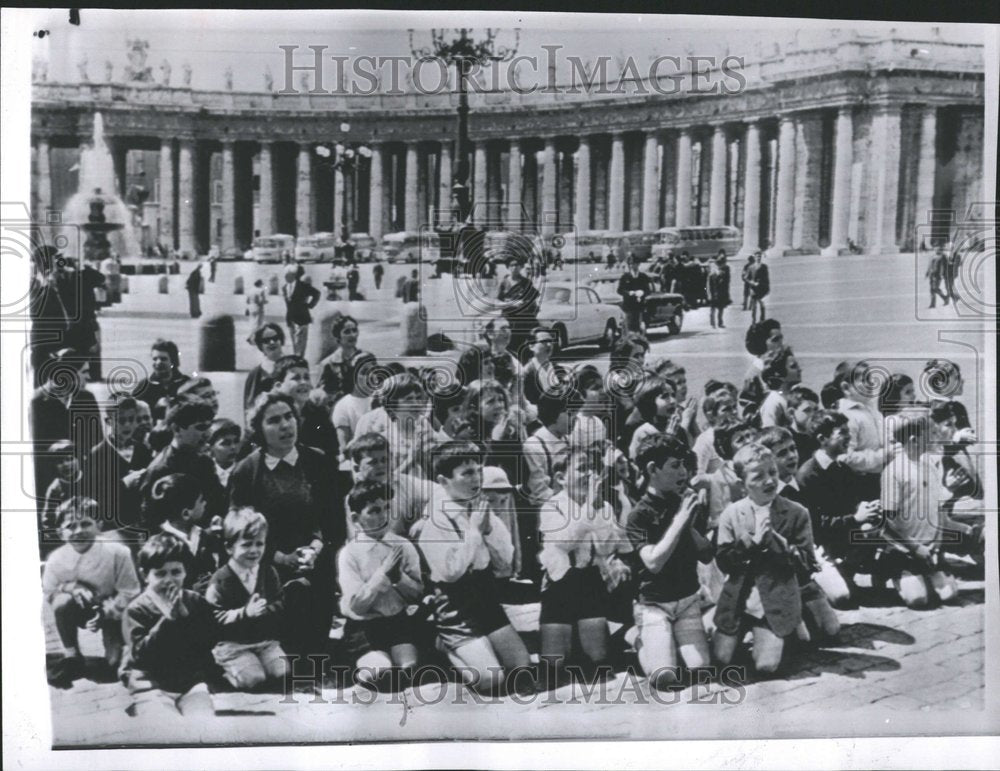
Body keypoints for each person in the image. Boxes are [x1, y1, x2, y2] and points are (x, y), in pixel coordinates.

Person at [416, 442, 532, 694]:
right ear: (444, 481)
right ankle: (444, 646)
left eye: (478, 471)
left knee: (521, 666)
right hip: (456, 606)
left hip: (486, 599)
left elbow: (506, 562)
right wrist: (474, 533)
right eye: (466, 473)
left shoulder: (479, 510)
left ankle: (478, 649)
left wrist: (489, 530)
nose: (476, 479)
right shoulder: (436, 521)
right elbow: (451, 572)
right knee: (491, 679)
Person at [228, 392, 337, 655]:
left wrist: (316, 547)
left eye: (289, 417)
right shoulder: (246, 471)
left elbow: (332, 518)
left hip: (314, 557)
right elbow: (238, 529)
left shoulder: (317, 461)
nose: (285, 425)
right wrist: (279, 557)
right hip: (266, 562)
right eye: (274, 420)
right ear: (259, 429)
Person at [713, 444, 816, 675]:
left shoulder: (797, 512)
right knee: (720, 658)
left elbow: (807, 564)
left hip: (776, 597)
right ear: (742, 484)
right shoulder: (731, 513)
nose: (769, 481)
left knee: (765, 666)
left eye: (773, 473)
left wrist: (776, 542)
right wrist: (751, 543)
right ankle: (743, 629)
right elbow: (724, 561)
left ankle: (789, 630)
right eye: (758, 476)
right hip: (740, 598)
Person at [627, 434, 714, 690]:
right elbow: (653, 562)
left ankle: (669, 639)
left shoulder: (685, 502)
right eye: (675, 466)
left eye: (684, 465)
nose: (683, 472)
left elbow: (707, 554)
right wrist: (679, 521)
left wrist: (690, 522)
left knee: (701, 670)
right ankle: (636, 637)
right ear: (653, 470)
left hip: (687, 601)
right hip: (655, 604)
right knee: (664, 678)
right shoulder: (638, 515)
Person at [538, 444, 625, 688]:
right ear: (561, 478)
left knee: (598, 660)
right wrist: (589, 509)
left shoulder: (601, 505)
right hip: (560, 583)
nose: (589, 474)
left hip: (589, 581)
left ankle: (586, 636)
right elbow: (566, 540)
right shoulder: (551, 506)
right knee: (554, 665)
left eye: (592, 469)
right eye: (582, 469)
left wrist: (598, 511)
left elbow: (608, 547)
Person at [120, 533, 219, 717]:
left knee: (203, 723)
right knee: (169, 727)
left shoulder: (195, 601)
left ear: (185, 571)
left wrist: (185, 616)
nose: (169, 580)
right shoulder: (136, 609)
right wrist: (168, 620)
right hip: (150, 684)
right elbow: (141, 654)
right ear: (145, 575)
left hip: (189, 683)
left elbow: (209, 640)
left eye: (176, 572)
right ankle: (144, 706)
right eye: (160, 573)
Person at [338, 480, 424, 691]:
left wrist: (399, 579)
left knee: (408, 669)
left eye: (387, 508)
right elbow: (357, 606)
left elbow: (417, 594)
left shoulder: (402, 545)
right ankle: (357, 662)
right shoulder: (350, 553)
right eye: (374, 511)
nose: (384, 515)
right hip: (364, 627)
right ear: (356, 518)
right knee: (381, 673)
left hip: (396, 622)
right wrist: (382, 575)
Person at [43, 498, 141, 684]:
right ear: (60, 532)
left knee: (115, 664)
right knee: (61, 602)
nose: (79, 531)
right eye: (71, 526)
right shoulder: (56, 559)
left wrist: (105, 613)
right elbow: (49, 591)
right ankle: (72, 654)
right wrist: (70, 587)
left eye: (86, 523)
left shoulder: (118, 552)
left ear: (100, 526)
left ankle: (117, 645)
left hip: (114, 611)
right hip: (80, 609)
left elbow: (130, 592)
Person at [797, 410, 882, 607]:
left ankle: (848, 573)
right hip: (821, 545)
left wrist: (864, 507)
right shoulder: (808, 475)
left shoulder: (841, 468)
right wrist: (856, 518)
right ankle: (829, 577)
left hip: (839, 536)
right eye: (842, 432)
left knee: (874, 530)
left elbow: (850, 502)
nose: (849, 436)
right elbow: (816, 524)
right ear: (822, 439)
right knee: (842, 599)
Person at [879, 410, 963, 609]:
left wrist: (939, 538)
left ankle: (928, 572)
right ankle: (894, 571)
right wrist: (916, 548)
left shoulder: (930, 465)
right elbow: (886, 525)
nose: (936, 438)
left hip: (930, 548)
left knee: (949, 595)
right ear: (914, 439)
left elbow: (938, 507)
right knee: (918, 600)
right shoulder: (894, 472)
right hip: (906, 549)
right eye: (931, 434)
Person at [205, 508, 290, 690]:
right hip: (232, 644)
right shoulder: (220, 579)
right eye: (246, 545)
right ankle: (222, 672)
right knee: (253, 678)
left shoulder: (268, 572)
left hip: (264, 641)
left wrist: (265, 610)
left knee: (282, 672)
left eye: (259, 544)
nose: (254, 550)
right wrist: (244, 613)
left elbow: (280, 601)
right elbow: (213, 617)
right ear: (229, 547)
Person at [140, 397, 226, 527]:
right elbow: (150, 523)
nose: (208, 434)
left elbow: (220, 503)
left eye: (209, 427)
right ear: (176, 429)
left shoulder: (204, 462)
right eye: (201, 427)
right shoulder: (160, 470)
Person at [83, 394, 151, 538]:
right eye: (121, 420)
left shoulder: (142, 450)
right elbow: (96, 498)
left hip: (140, 524)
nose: (127, 425)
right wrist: (124, 483)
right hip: (113, 528)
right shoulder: (97, 454)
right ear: (109, 421)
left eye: (132, 419)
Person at [146, 473, 226, 593]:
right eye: (201, 500)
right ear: (186, 513)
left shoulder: (202, 536)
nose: (205, 503)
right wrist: (190, 591)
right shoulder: (160, 545)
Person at [346, 433, 433, 538]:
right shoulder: (355, 498)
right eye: (373, 462)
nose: (381, 466)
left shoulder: (402, 481)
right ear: (357, 468)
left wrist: (425, 518)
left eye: (384, 460)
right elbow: (359, 541)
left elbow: (440, 491)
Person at [272, 354, 339, 463]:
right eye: (296, 378)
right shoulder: (269, 414)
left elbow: (332, 451)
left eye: (306, 377)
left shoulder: (319, 414)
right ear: (279, 386)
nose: (304, 382)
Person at [835, 361, 887, 500]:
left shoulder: (872, 410)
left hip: (880, 476)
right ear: (846, 388)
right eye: (864, 380)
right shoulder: (846, 416)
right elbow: (845, 457)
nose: (871, 383)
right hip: (862, 483)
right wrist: (883, 455)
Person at [496, 258, 540, 362]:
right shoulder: (504, 283)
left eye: (517, 265)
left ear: (521, 267)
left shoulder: (526, 282)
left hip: (523, 320)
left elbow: (533, 300)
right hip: (508, 319)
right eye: (511, 265)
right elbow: (497, 302)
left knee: (523, 346)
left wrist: (526, 306)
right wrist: (512, 303)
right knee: (508, 344)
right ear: (508, 267)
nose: (514, 268)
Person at [131, 339, 191, 412]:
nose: (158, 362)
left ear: (173, 361)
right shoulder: (143, 387)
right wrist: (155, 406)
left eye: (163, 359)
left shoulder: (187, 384)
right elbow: (132, 412)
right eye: (155, 359)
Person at [319, 315, 366, 401]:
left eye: (354, 330)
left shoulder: (366, 358)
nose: (352, 335)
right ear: (338, 335)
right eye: (347, 332)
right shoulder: (328, 363)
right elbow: (323, 393)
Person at [243, 323, 285, 414]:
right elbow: (249, 408)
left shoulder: (293, 365)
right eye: (266, 341)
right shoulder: (255, 374)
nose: (272, 342)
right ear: (261, 346)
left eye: (275, 338)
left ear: (281, 340)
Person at [759, 347, 804, 428]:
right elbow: (769, 432)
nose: (800, 369)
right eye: (793, 366)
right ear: (778, 373)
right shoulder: (773, 402)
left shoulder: (790, 397)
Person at [282, 265, 321, 357]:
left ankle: (300, 358)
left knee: (301, 341)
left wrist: (310, 305)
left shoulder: (303, 286)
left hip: (302, 316)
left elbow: (317, 293)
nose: (286, 277)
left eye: (288, 275)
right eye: (285, 275)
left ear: (293, 275)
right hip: (290, 317)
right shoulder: (284, 288)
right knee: (294, 342)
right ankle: (296, 356)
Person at [616, 254, 654, 335]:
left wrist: (642, 292)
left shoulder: (643, 277)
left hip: (640, 307)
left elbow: (648, 290)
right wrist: (629, 293)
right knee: (628, 328)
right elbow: (619, 290)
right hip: (628, 307)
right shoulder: (625, 277)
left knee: (640, 328)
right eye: (631, 264)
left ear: (638, 264)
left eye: (634, 264)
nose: (632, 266)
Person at [208, 419, 241, 488]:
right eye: (226, 443)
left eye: (236, 441)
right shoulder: (205, 473)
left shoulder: (245, 471)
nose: (233, 447)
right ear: (211, 447)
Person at [706, 252, 732, 329]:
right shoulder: (711, 275)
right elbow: (708, 285)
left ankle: (720, 322)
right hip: (713, 293)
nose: (719, 266)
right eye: (718, 265)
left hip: (721, 294)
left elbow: (726, 283)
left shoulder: (724, 273)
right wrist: (709, 294)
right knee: (712, 309)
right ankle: (712, 323)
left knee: (721, 309)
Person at [747, 251, 770, 323]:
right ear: (754, 257)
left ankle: (762, 319)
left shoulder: (764, 267)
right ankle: (753, 320)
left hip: (762, 288)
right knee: (754, 306)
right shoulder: (750, 267)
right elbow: (746, 278)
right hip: (754, 289)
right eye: (757, 256)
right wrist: (752, 283)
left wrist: (768, 288)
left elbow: (767, 278)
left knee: (762, 304)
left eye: (759, 256)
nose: (758, 258)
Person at [245, 279, 268, 343]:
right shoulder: (261, 290)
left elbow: (247, 301)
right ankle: (250, 337)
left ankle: (253, 337)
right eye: (261, 284)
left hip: (251, 308)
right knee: (258, 324)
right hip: (258, 309)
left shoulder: (250, 290)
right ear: (260, 284)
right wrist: (266, 302)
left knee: (252, 323)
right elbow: (260, 301)